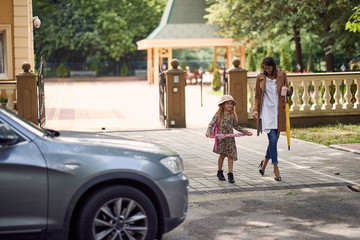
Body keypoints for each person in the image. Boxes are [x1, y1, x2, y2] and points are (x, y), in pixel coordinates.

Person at [252, 56, 289, 181]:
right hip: (266, 112)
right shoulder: (260, 78)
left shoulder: (282, 75)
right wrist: (255, 110)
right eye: (265, 68)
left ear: (273, 66)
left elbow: (288, 91)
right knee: (273, 139)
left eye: (269, 68)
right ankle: (276, 168)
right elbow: (257, 96)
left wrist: (287, 91)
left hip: (279, 112)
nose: (267, 70)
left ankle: (264, 165)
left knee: (274, 141)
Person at [206, 95, 252, 183]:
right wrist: (208, 131)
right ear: (223, 105)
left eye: (231, 104)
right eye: (227, 103)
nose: (230, 105)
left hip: (230, 139)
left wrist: (245, 132)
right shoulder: (219, 115)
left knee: (231, 156)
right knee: (222, 155)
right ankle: (219, 171)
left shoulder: (232, 115)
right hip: (221, 139)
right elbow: (211, 124)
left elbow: (236, 126)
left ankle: (230, 174)